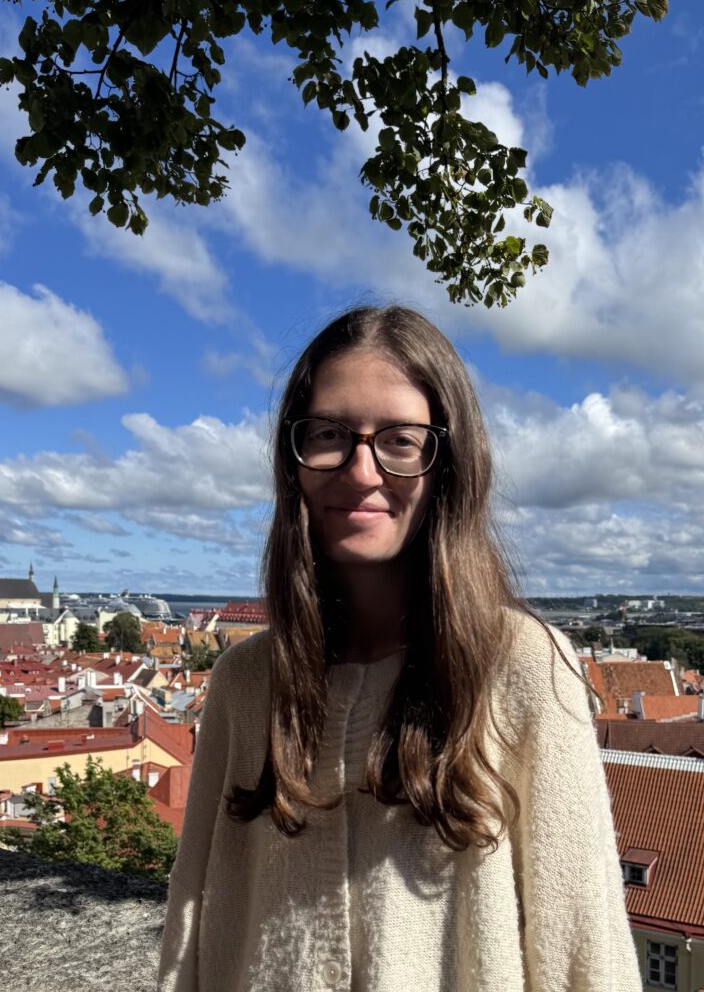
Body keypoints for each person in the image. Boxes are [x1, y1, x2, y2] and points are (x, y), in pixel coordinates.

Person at [157, 306, 641, 992]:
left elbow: (584, 950)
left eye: (400, 441)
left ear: (448, 464)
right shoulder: (246, 681)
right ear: (293, 461)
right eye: (328, 434)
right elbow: (193, 924)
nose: (360, 471)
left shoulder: (523, 667)